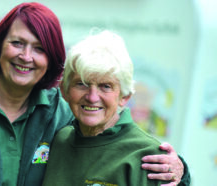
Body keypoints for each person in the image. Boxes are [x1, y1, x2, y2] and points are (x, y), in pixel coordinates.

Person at [0, 2, 189, 186]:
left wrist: (180, 171)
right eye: (18, 43)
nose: (26, 56)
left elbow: (111, 141)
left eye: (39, 48)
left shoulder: (60, 113)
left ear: (51, 59)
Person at [42, 30, 189, 185]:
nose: (92, 97)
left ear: (124, 97)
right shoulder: (60, 140)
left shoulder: (150, 158)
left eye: (105, 86)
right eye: (82, 84)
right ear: (64, 91)